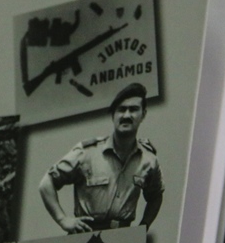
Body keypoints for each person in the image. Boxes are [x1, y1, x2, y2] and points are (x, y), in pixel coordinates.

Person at [39, 82, 164, 233]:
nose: (126, 115)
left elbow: (156, 196)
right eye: (121, 110)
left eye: (133, 109)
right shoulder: (87, 153)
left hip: (124, 238)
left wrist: (144, 226)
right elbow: (46, 183)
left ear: (143, 114)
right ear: (113, 115)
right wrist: (62, 220)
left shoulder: (148, 161)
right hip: (86, 235)